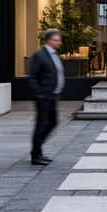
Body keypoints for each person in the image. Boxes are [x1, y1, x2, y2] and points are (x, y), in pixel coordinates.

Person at [27, 28, 64, 165]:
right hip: (43, 96)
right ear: (48, 40)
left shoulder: (54, 54)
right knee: (41, 125)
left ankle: (36, 150)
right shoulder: (40, 55)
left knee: (53, 122)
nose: (58, 42)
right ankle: (36, 155)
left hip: (52, 96)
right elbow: (32, 76)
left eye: (59, 40)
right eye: (55, 40)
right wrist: (39, 93)